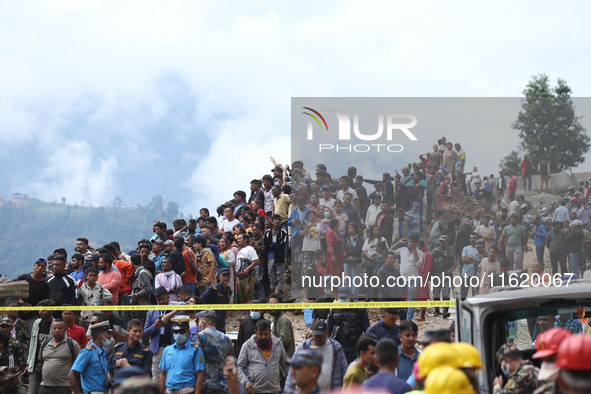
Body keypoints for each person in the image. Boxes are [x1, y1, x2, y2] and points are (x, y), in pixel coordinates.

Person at [287, 320, 348, 392]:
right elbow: (292, 372)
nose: (318, 337)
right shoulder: (304, 347)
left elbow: (345, 372)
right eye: (316, 335)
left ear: (327, 333)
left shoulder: (336, 348)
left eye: (321, 335)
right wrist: (287, 390)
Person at [237, 319, 288, 394]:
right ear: (255, 332)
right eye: (260, 334)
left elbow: (285, 366)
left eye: (266, 334)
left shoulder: (278, 344)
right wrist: (246, 383)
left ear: (270, 332)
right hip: (254, 390)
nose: (263, 337)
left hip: (274, 390)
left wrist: (292, 382)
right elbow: (239, 367)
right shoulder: (247, 346)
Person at [158, 316, 205, 394]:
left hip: (187, 391)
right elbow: (163, 374)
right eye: (176, 332)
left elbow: (200, 375)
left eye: (182, 331)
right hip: (169, 391)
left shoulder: (196, 350)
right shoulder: (167, 350)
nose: (178, 334)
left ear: (188, 332)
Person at [143, 286, 180, 384]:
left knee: (173, 377)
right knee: (156, 379)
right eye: (159, 300)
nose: (161, 302)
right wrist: (155, 326)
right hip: (157, 349)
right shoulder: (152, 312)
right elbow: (145, 333)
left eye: (163, 299)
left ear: (168, 297)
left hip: (174, 348)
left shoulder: (175, 310)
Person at [192, 310, 234, 394]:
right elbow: (231, 361)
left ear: (202, 322)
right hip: (223, 385)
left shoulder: (198, 337)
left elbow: (193, 360)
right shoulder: (226, 338)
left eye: (198, 321)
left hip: (204, 385)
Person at [69, 320, 114, 394]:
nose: (110, 336)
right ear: (100, 336)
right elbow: (71, 374)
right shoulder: (87, 353)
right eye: (108, 333)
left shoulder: (102, 353)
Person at [327, 287, 370, 363]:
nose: (343, 300)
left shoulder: (360, 309)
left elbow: (367, 331)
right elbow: (328, 331)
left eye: (345, 297)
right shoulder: (334, 309)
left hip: (355, 350)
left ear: (351, 295)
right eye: (341, 298)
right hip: (338, 349)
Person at [39, 319, 81, 394]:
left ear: (65, 329)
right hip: (45, 386)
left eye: (60, 328)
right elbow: (42, 361)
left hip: (64, 386)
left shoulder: (72, 344)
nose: (57, 330)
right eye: (54, 328)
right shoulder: (45, 343)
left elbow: (79, 364)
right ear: (51, 330)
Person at [390, 235, 424, 320]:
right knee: (398, 297)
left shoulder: (420, 253)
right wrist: (399, 242)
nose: (410, 243)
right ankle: (399, 316)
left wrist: (414, 250)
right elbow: (390, 251)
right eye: (409, 241)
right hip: (402, 279)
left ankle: (409, 318)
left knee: (411, 300)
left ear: (416, 243)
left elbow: (418, 263)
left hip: (413, 280)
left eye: (412, 242)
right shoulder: (403, 250)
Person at [15, 257, 51, 335]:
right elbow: (14, 292)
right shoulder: (23, 278)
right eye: (38, 265)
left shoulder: (45, 285)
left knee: (32, 339)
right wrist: (22, 303)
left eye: (42, 266)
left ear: (45, 268)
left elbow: (44, 303)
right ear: (34, 266)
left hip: (33, 318)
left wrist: (31, 309)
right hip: (18, 316)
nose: (40, 268)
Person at [27, 299, 55, 394]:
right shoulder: (37, 323)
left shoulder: (56, 325)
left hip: (49, 366)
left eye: (43, 310)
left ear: (51, 311)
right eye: (39, 310)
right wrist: (29, 363)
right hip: (35, 365)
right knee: (32, 391)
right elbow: (32, 344)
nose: (40, 312)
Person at [200, 268, 233, 333]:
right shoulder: (214, 289)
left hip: (222, 322)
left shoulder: (229, 290)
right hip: (212, 321)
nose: (226, 277)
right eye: (224, 275)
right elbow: (202, 299)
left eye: (228, 275)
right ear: (219, 277)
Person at [430, 235, 456, 317]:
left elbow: (454, 263)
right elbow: (429, 262)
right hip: (436, 275)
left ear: (446, 242)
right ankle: (437, 311)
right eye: (440, 241)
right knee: (436, 294)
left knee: (446, 294)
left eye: (443, 241)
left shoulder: (450, 251)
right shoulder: (434, 251)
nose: (441, 243)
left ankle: (445, 311)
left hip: (447, 275)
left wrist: (451, 270)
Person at [265, 214, 289, 295]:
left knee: (279, 277)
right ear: (272, 221)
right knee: (271, 277)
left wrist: (273, 245)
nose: (277, 221)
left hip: (280, 257)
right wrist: (277, 245)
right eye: (275, 219)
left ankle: (279, 296)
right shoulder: (267, 232)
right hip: (270, 257)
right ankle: (272, 296)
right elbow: (267, 246)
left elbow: (283, 246)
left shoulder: (283, 232)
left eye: (279, 219)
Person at [235, 233, 260, 303]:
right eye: (237, 238)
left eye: (240, 238)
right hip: (240, 277)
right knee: (242, 296)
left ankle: (250, 313)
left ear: (245, 240)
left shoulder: (250, 249)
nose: (238, 240)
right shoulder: (241, 250)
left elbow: (256, 260)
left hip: (248, 276)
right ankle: (245, 313)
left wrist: (248, 268)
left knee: (248, 295)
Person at [343, 222, 363, 301]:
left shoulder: (360, 238)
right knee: (347, 279)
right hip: (347, 261)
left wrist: (348, 254)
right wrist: (347, 255)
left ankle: (354, 298)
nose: (349, 230)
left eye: (351, 228)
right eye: (348, 228)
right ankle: (347, 297)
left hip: (356, 261)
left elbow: (358, 248)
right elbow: (344, 248)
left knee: (355, 281)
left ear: (355, 229)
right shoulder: (347, 238)